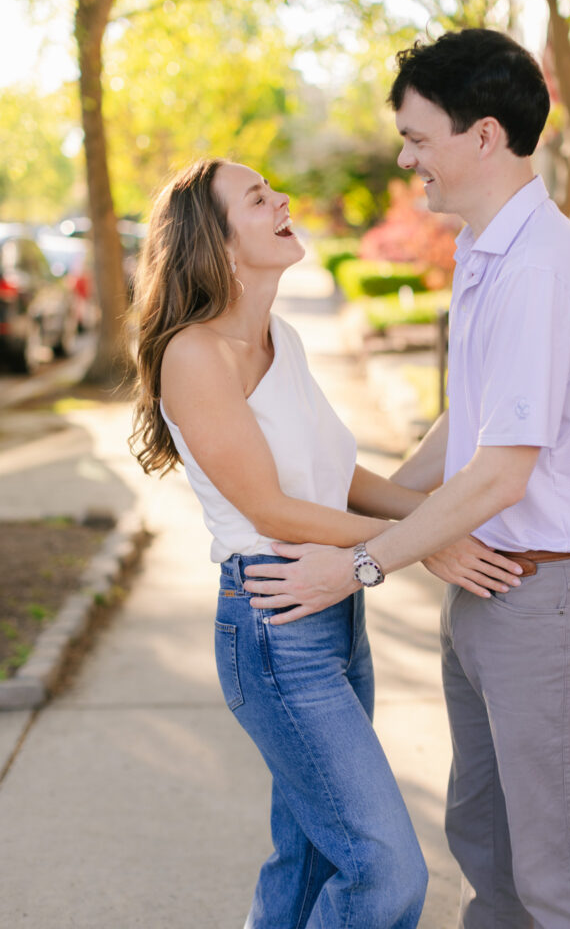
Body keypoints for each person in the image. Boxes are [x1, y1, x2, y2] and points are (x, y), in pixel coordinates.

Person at [243, 29, 570, 929]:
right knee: (487, 850)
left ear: (484, 137)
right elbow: (467, 426)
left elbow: (502, 473)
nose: (404, 157)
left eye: (418, 138)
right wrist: (365, 491)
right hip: (494, 588)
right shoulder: (486, 248)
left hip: (554, 597)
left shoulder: (537, 266)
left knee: (557, 878)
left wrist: (360, 564)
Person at [128, 156, 520, 929]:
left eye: (275, 186)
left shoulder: (281, 338)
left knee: (308, 854)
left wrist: (439, 514)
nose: (283, 199)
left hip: (334, 614)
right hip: (274, 625)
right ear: (216, 240)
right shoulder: (194, 355)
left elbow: (336, 476)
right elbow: (272, 509)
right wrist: (416, 539)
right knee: (385, 874)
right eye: (257, 197)